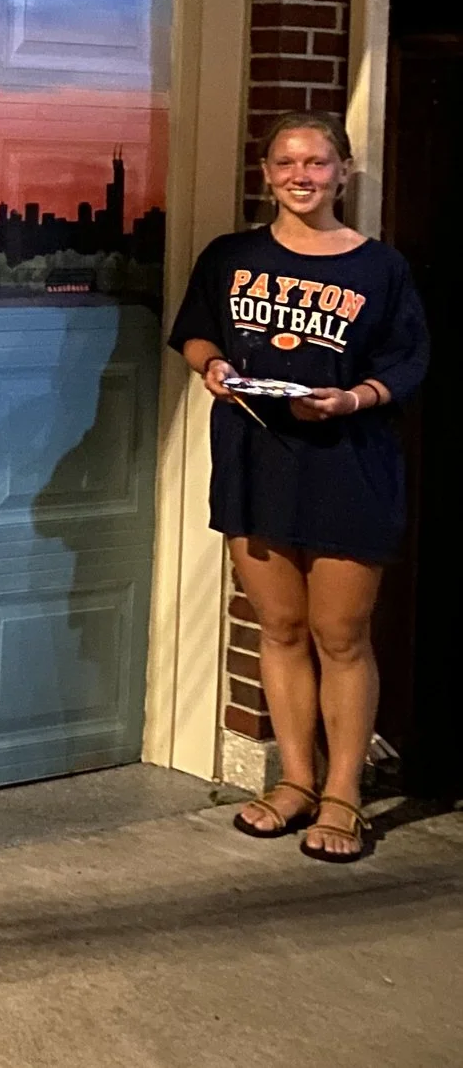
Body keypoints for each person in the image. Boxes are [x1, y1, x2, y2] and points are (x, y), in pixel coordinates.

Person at [168, 110, 430, 863]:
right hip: (258, 459)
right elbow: (196, 331)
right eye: (286, 163)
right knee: (278, 630)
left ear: (343, 172)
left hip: (349, 462)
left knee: (341, 636)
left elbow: (410, 362)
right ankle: (294, 779)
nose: (301, 176)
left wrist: (353, 398)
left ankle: (344, 793)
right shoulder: (232, 255)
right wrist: (210, 366)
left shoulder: (381, 268)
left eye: (317, 163)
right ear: (267, 173)